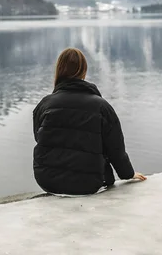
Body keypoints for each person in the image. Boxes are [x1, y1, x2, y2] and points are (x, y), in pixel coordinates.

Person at [33, 47, 146, 195]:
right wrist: (128, 174)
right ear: (83, 71)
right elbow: (115, 149)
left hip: (47, 181)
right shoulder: (101, 106)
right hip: (87, 183)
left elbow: (40, 138)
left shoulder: (44, 105)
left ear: (59, 70)